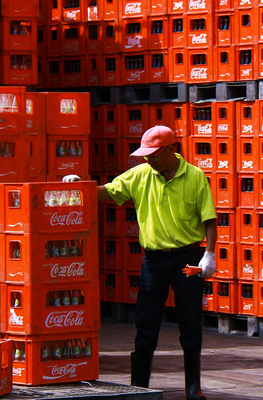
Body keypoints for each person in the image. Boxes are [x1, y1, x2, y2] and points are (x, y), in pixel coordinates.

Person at [64, 125, 216, 400]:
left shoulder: (195, 176)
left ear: (172, 149)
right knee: (145, 322)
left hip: (188, 258)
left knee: (190, 322)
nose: (149, 160)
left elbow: (209, 219)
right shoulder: (140, 175)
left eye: (154, 155)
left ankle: (193, 387)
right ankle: (139, 387)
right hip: (154, 259)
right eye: (146, 155)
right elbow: (108, 192)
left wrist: (210, 254)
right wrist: (82, 186)